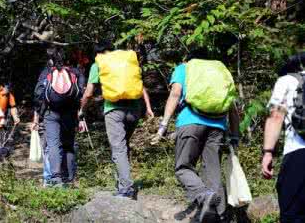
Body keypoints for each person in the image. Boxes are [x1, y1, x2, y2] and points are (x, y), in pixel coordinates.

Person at [157, 52, 240, 222]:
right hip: (217, 126)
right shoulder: (220, 73)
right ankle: (220, 216)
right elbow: (232, 107)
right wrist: (235, 134)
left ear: (188, 58)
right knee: (213, 172)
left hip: (190, 121)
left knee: (183, 168)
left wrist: (163, 126)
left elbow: (175, 93)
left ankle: (204, 195)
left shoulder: (185, 68)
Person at [79, 41, 154, 199]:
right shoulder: (127, 62)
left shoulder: (98, 63)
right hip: (134, 110)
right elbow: (141, 86)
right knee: (124, 146)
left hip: (114, 110)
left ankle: (126, 188)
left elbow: (89, 92)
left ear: (98, 53)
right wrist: (148, 107)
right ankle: (122, 184)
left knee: (118, 148)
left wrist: (81, 109)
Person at [32, 48, 85, 187]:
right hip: (70, 113)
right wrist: (80, 115)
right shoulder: (75, 72)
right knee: (68, 145)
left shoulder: (47, 72)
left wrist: (39, 113)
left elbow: (38, 94)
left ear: (51, 60)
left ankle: (56, 178)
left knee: (53, 145)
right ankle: (69, 178)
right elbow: (81, 95)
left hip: (51, 113)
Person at [262, 52, 305, 223]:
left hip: (298, 154)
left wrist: (267, 152)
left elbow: (276, 117)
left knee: (292, 212)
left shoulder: (287, 81)